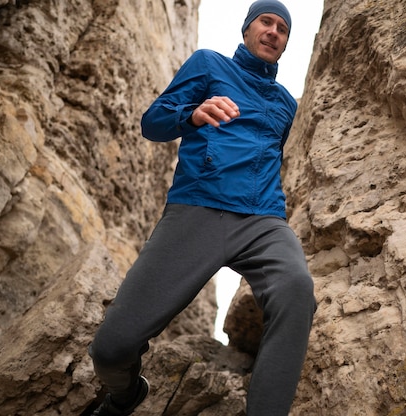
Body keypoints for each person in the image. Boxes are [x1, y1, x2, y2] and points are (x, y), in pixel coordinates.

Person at [87, 1, 316, 415]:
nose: (273, 32)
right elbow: (152, 122)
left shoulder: (286, 105)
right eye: (266, 21)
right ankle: (125, 396)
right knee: (111, 349)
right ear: (248, 28)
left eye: (283, 29)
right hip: (197, 208)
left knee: (297, 289)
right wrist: (191, 115)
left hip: (263, 220)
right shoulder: (208, 64)